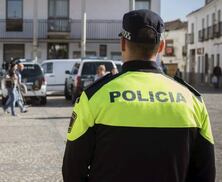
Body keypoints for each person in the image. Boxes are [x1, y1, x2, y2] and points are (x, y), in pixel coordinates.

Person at [62, 10, 215, 182]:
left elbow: (72, 172)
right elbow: (205, 175)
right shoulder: (192, 100)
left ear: (122, 43)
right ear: (162, 46)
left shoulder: (93, 97)